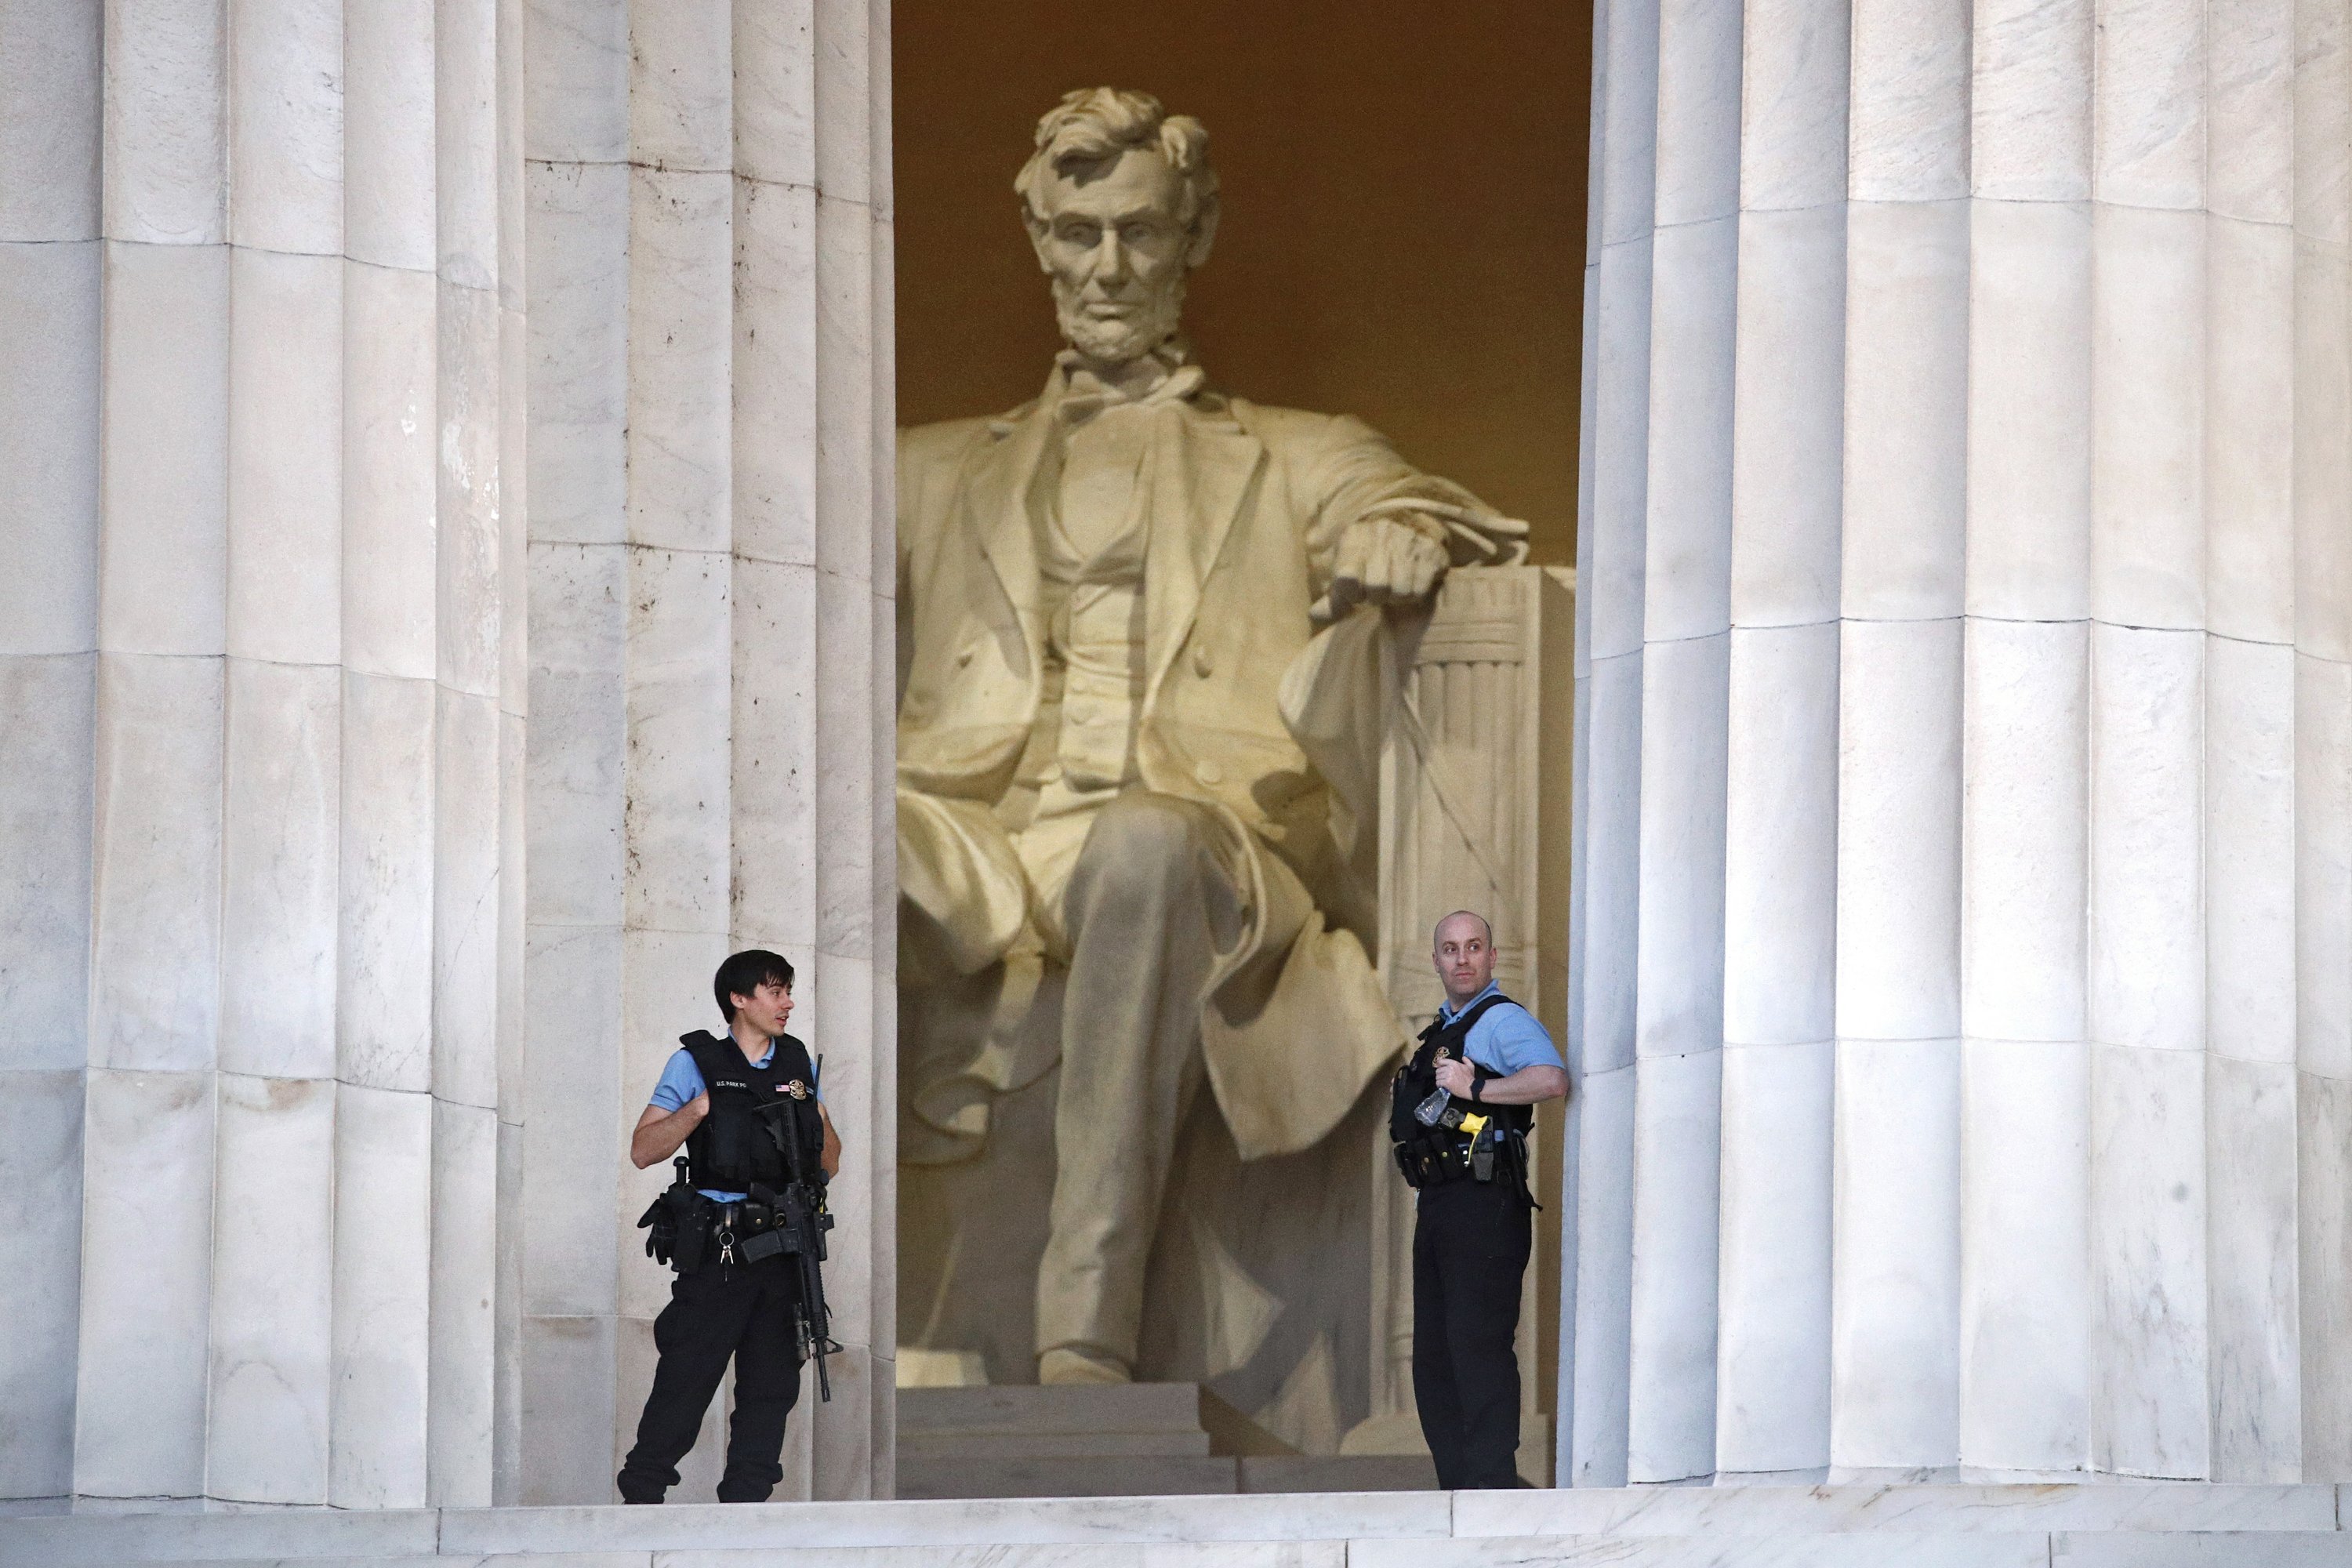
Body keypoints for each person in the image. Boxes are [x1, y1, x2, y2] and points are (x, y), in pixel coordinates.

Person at [895, 85, 1529, 1386]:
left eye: (1139, 232)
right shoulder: (928, 469)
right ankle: (785, 1325)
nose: (1107, 268)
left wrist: (1394, 528)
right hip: (980, 833)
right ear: (1040, 243)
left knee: (1141, 844)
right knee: (805, 831)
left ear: (1197, 234)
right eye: (1078, 235)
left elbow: (1421, 502)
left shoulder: (1297, 454)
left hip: (1204, 841)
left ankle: (1084, 1328)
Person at [615, 949, 841, 1504]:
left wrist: (809, 1126)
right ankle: (642, 1498)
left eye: (788, 990)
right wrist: (700, 1109)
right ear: (740, 1000)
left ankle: (747, 1507)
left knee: (772, 1387)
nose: (788, 1003)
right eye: (775, 991)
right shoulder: (695, 1061)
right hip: (722, 1249)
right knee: (686, 1380)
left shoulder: (796, 1065)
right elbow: (644, 1149)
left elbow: (830, 1160)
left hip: (785, 1252)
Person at [1391, 910, 1568, 1490]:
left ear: (1491, 958)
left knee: (1477, 1343)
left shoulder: (1501, 1021)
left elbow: (1551, 1079)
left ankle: (1493, 1484)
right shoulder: (1441, 1032)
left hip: (1485, 1203)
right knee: (1435, 1360)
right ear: (1436, 960)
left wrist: (1480, 1088)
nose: (1462, 958)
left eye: (1474, 947)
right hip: (1440, 1207)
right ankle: (1461, 1486)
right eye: (1450, 948)